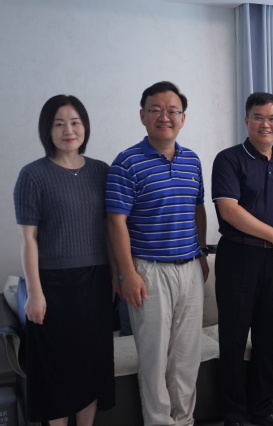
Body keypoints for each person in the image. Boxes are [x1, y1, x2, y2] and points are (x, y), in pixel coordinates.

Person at [106, 81, 209, 426]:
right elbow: (115, 222)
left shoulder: (192, 160)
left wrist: (201, 254)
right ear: (143, 116)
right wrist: (128, 273)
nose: (165, 117)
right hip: (148, 271)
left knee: (186, 357)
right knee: (154, 359)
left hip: (189, 268)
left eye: (172, 111)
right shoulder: (127, 162)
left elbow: (198, 209)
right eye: (156, 110)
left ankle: (185, 421)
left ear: (183, 118)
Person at [14, 95, 116, 425]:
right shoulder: (33, 175)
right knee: (56, 369)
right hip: (52, 285)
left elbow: (109, 231)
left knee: (91, 364)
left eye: (75, 122)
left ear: (85, 127)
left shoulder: (102, 171)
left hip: (96, 282)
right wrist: (35, 292)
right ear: (48, 129)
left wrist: (115, 276)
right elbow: (28, 239)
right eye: (59, 124)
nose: (68, 130)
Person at [211, 93, 273, 426]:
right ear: (247, 121)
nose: (265, 124)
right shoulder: (229, 159)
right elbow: (229, 210)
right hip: (238, 256)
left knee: (268, 337)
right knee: (233, 338)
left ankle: (262, 410)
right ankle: (233, 415)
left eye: (272, 118)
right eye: (258, 117)